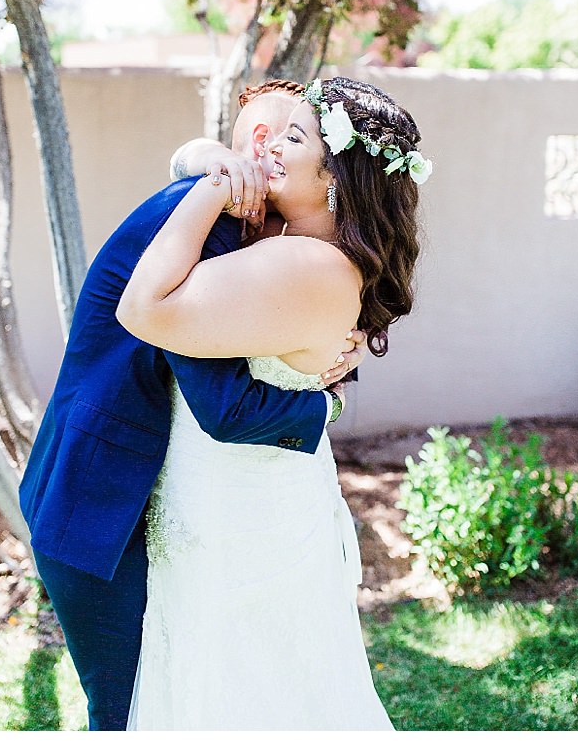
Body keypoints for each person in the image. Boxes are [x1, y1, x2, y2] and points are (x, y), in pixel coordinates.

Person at [18, 79, 365, 731]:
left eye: (296, 136)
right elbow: (224, 405)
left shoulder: (267, 235)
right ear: (253, 147)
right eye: (276, 134)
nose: (274, 147)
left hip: (150, 501)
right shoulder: (214, 224)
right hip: (98, 506)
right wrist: (327, 410)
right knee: (125, 711)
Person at [117, 75, 432, 730]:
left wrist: (209, 189)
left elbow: (143, 307)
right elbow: (196, 158)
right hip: (224, 505)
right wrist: (207, 160)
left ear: (337, 178)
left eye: (294, 136)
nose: (267, 143)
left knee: (251, 698)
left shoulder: (311, 267)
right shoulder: (284, 242)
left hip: (245, 527)